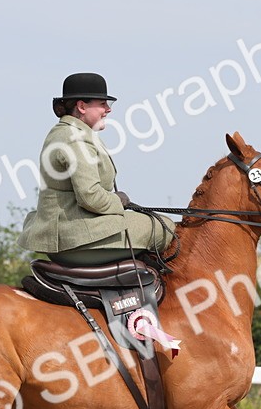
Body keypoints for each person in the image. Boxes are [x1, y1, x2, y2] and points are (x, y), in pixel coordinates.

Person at [17, 73, 174, 266]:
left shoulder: (68, 132)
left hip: (73, 230)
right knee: (165, 227)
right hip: (74, 237)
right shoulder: (75, 139)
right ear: (82, 106)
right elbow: (90, 197)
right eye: (102, 104)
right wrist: (118, 201)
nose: (108, 109)